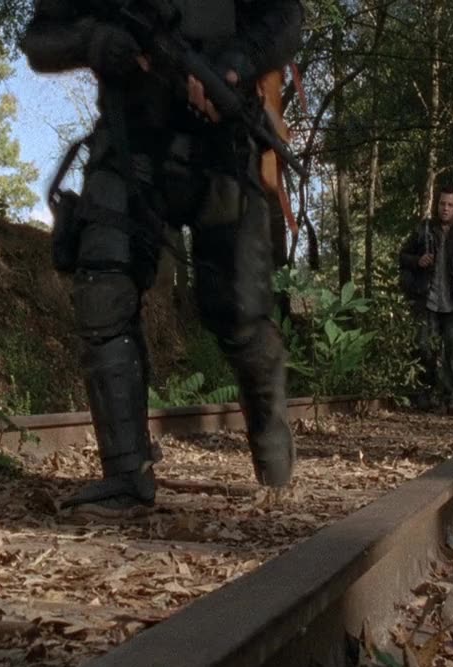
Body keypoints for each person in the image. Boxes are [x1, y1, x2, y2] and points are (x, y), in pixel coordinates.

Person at [20, 0, 302, 516]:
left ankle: (271, 444)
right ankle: (125, 475)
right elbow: (39, 40)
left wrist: (237, 61)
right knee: (103, 288)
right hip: (130, 143)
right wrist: (95, 42)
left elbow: (286, 17)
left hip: (223, 147)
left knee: (238, 313)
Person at [398, 185, 453, 414]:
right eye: (442, 203)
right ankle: (426, 392)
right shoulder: (424, 229)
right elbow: (402, 256)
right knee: (424, 347)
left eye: (450, 205)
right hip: (427, 299)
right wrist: (418, 261)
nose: (445, 208)